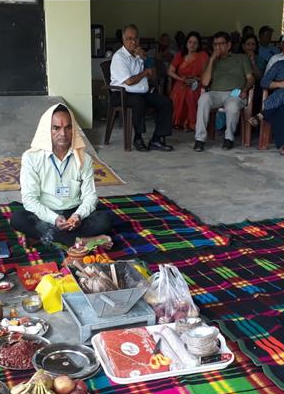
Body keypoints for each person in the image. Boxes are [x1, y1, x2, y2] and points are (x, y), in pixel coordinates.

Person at [12, 104, 113, 247]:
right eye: (56, 128)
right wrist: (54, 218)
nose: (63, 133)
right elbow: (30, 199)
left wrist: (78, 216)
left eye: (68, 127)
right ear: (47, 130)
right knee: (18, 218)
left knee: (105, 219)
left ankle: (44, 236)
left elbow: (90, 196)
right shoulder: (31, 158)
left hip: (73, 214)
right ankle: (80, 241)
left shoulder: (84, 159)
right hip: (45, 213)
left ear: (74, 130)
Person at [109, 24, 174, 152]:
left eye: (135, 38)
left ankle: (157, 139)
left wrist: (146, 58)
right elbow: (129, 81)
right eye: (129, 39)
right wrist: (145, 73)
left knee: (165, 102)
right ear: (123, 40)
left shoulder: (139, 55)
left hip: (140, 92)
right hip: (121, 94)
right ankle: (138, 138)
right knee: (139, 102)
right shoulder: (119, 57)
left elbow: (153, 76)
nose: (133, 42)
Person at [194, 31, 255, 152]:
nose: (218, 47)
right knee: (203, 98)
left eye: (221, 44)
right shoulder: (211, 61)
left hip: (235, 92)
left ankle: (229, 138)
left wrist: (244, 89)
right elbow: (205, 83)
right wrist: (212, 59)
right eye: (215, 44)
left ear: (229, 45)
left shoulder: (241, 58)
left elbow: (251, 78)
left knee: (232, 105)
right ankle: (199, 139)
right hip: (215, 92)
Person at [168, 31, 209, 131]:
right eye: (190, 42)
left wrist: (196, 79)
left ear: (198, 45)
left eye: (195, 43)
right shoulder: (180, 55)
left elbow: (206, 73)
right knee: (180, 90)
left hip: (197, 82)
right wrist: (182, 79)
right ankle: (178, 121)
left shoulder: (202, 56)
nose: (192, 45)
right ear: (186, 43)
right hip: (181, 81)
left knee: (191, 92)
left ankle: (191, 123)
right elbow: (170, 71)